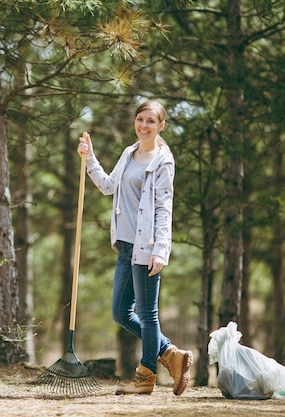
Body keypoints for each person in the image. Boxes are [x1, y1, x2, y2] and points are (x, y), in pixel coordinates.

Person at [77, 100, 193, 396]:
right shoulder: (129, 153)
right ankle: (169, 353)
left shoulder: (162, 162)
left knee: (147, 312)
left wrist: (160, 250)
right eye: (140, 119)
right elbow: (107, 186)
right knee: (119, 312)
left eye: (151, 121)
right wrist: (89, 158)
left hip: (147, 247)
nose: (144, 125)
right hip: (126, 247)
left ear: (161, 125)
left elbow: (164, 209)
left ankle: (146, 377)